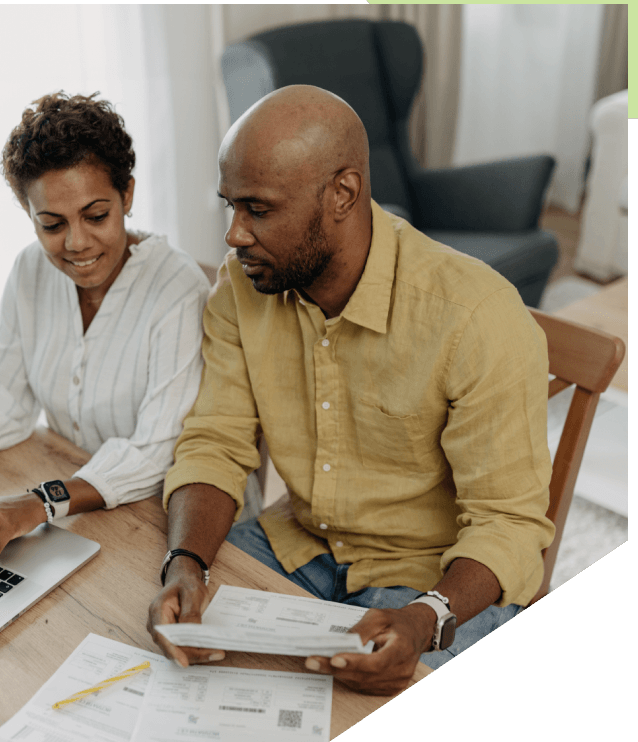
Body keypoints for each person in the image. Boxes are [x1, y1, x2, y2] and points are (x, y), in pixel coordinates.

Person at [147, 85, 555, 696]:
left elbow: (509, 524)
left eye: (257, 210)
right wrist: (185, 564)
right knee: (161, 648)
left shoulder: (476, 317)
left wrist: (426, 620)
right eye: (229, 206)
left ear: (342, 194)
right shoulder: (241, 288)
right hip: (298, 541)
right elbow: (216, 443)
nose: (233, 235)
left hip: (430, 581)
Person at [0, 92, 209, 574]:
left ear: (127, 194)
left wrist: (36, 502)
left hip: (169, 526)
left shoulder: (177, 288)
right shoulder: (30, 271)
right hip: (77, 509)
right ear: (29, 215)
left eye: (96, 215)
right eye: (52, 224)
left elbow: (156, 451)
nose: (77, 243)